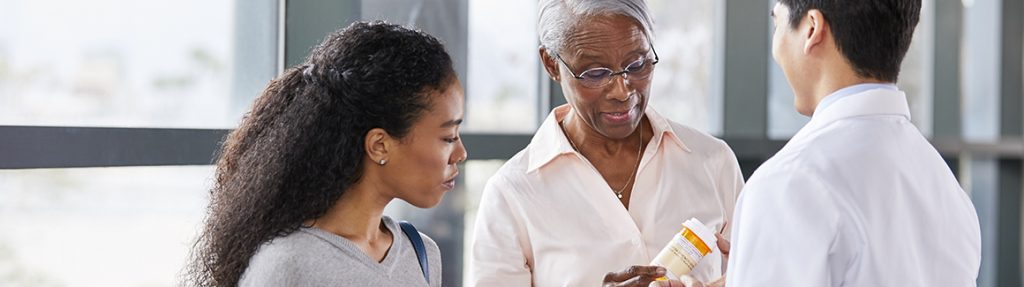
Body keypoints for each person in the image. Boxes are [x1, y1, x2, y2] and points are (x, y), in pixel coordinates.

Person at [657, 0, 982, 286]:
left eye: (777, 22)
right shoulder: (946, 187)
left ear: (812, 28)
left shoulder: (789, 183)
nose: (775, 44)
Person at [469, 0, 744, 286]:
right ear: (551, 64)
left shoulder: (713, 162)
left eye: (637, 65)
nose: (622, 90)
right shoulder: (512, 194)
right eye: (595, 73)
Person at [183, 21, 467, 287]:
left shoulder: (422, 255)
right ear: (379, 145)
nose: (461, 153)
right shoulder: (288, 265)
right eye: (448, 137)